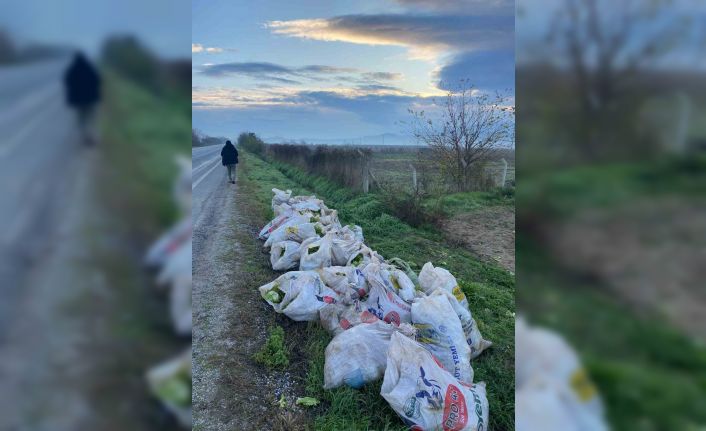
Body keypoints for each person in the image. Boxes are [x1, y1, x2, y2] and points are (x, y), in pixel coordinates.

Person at [63, 52, 101, 145]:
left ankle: (84, 137)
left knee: (81, 119)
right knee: (91, 118)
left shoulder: (72, 69)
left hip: (78, 101)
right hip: (90, 99)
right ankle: (91, 137)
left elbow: (67, 82)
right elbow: (98, 80)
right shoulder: (90, 68)